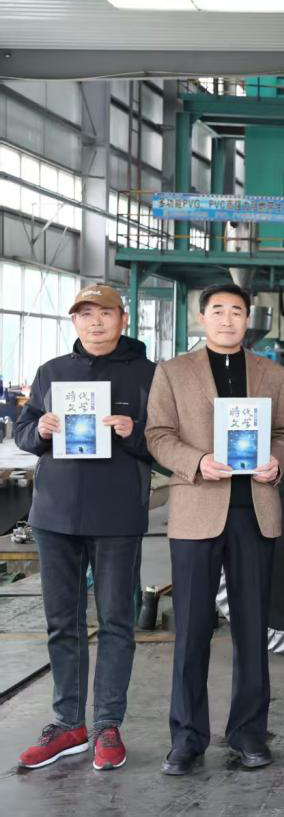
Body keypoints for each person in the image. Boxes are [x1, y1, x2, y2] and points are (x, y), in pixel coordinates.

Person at [145, 282, 284, 775]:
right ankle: (187, 738)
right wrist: (197, 460)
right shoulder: (173, 372)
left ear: (248, 319)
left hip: (255, 509)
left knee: (252, 628)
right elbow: (157, 435)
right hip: (197, 509)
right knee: (191, 629)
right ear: (202, 318)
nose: (228, 319)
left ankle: (248, 733)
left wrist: (277, 461)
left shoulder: (273, 374)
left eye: (237, 311)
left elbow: (282, 434)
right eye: (218, 311)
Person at [14, 284, 155, 772]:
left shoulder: (147, 374)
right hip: (55, 516)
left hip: (117, 516)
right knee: (62, 622)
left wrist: (132, 433)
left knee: (116, 621)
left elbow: (165, 443)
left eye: (105, 313)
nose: (96, 322)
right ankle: (68, 724)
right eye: (85, 314)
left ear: (123, 318)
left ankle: (107, 725)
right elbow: (24, 432)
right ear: (74, 321)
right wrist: (41, 431)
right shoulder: (52, 372)